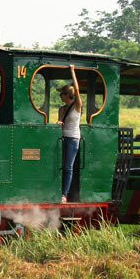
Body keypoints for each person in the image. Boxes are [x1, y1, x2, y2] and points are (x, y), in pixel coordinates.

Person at [57, 65, 82, 203]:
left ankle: (64, 195)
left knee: (68, 166)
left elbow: (77, 90)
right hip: (63, 138)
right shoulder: (62, 109)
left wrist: (72, 71)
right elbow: (60, 122)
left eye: (62, 94)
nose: (60, 96)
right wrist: (59, 123)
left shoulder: (77, 105)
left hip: (73, 138)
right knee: (60, 165)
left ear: (67, 95)